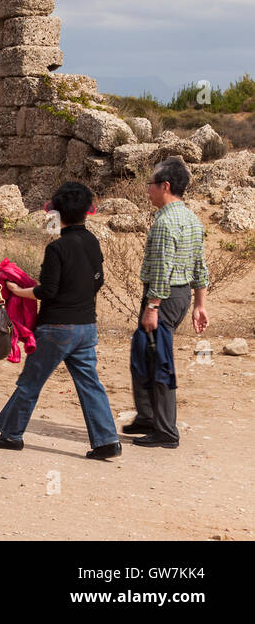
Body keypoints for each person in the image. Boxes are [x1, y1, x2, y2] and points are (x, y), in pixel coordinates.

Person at [0, 181, 121, 459]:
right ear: (87, 212)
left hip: (57, 327)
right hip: (87, 326)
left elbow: (46, 291)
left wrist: (16, 290)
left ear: (57, 213)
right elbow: (98, 281)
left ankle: (11, 434)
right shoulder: (92, 242)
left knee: (31, 381)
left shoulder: (57, 249)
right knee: (89, 383)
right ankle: (107, 440)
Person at [125, 157, 209, 449]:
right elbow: (200, 266)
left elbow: (161, 269)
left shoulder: (164, 222)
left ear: (165, 186)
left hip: (163, 296)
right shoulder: (191, 218)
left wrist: (152, 307)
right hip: (181, 295)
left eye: (150, 183)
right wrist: (200, 305)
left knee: (158, 359)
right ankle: (147, 417)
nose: (147, 189)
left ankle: (166, 431)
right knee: (143, 352)